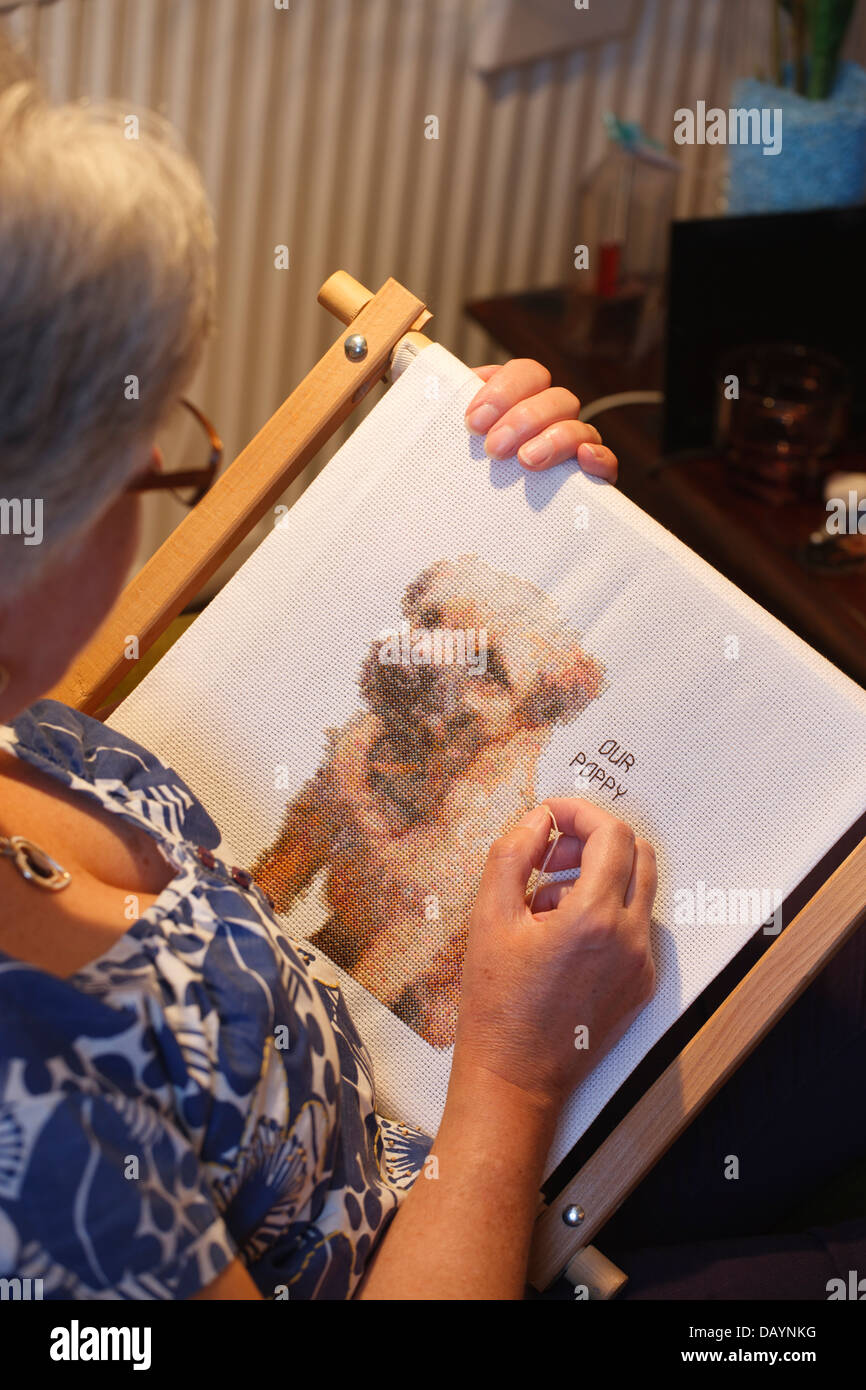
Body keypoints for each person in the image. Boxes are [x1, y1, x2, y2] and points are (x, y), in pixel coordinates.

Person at [0, 46, 655, 1299]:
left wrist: (529, 512)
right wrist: (509, 1085)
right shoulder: (35, 1160)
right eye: (146, 475)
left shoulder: (29, 725)